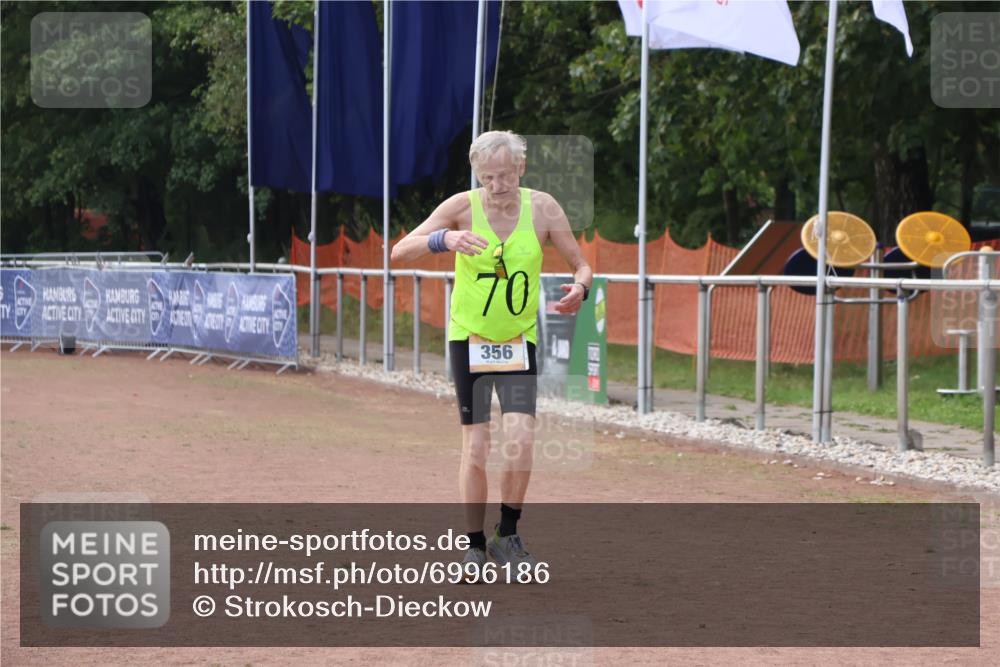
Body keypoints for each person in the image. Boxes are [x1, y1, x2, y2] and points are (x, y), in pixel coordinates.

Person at [390, 130, 592, 580]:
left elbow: (581, 263)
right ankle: (475, 546)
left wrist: (580, 288)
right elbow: (399, 251)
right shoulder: (461, 207)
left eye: (504, 175)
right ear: (476, 174)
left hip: (519, 340)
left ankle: (508, 534)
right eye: (487, 177)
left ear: (521, 168)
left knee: (520, 440)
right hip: (471, 339)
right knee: (477, 446)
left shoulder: (543, 208)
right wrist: (446, 241)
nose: (497, 185)